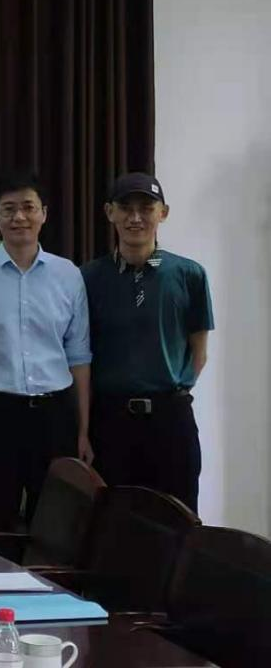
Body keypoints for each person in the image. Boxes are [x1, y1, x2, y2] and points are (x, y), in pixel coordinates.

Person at [0, 172, 92, 532]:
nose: (19, 217)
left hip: (55, 415)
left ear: (44, 213)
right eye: (8, 209)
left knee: (57, 525)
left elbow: (79, 356)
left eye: (28, 208)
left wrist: (83, 429)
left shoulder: (68, 275)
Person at [82, 173, 213, 511]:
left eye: (146, 208)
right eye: (126, 208)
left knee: (177, 517)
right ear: (109, 212)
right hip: (110, 420)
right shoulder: (88, 278)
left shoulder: (189, 274)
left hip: (170, 419)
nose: (135, 218)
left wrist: (175, 391)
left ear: (163, 213)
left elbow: (199, 351)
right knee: (112, 521)